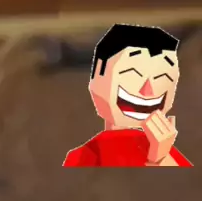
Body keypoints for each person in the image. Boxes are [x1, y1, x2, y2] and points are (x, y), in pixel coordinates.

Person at [63, 23, 193, 167]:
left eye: (162, 77)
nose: (147, 91)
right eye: (132, 74)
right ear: (100, 72)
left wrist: (161, 157)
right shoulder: (86, 155)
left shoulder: (168, 153)